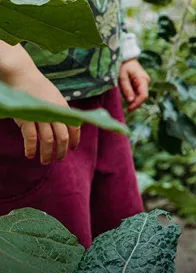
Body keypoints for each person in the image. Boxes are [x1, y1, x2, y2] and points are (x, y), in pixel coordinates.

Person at [0, 0, 148, 253]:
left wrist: (122, 45)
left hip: (96, 93)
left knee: (121, 238)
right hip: (26, 104)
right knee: (51, 257)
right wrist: (15, 69)